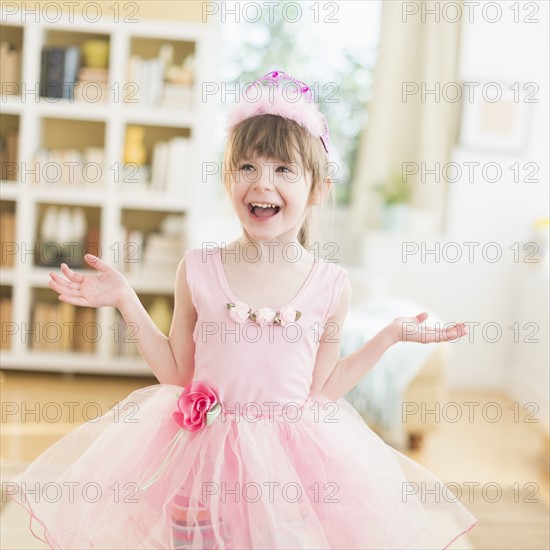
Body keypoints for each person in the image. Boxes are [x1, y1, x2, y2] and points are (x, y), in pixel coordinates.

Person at [9, 70, 477, 549]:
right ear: (230, 179)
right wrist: (126, 299)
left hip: (286, 468)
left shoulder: (331, 286)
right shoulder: (198, 270)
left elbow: (321, 389)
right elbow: (176, 373)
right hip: (202, 458)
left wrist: (389, 336)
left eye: (282, 170)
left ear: (316, 189)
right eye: (247, 168)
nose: (262, 183)